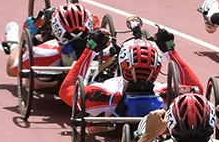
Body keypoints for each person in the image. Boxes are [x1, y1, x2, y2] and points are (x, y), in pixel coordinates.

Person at [61, 26, 201, 119]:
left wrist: (90, 49)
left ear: (122, 64)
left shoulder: (102, 94)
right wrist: (170, 51)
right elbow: (198, 90)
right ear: (157, 67)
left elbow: (66, 90)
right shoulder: (168, 95)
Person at [3, 0, 98, 81]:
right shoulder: (43, 53)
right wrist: (21, 42)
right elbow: (11, 69)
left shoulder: (102, 49)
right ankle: (13, 35)